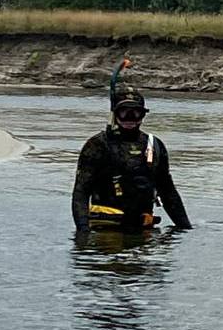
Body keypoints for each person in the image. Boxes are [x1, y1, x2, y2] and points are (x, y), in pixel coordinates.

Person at [71, 85, 192, 233]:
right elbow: (81, 193)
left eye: (136, 113)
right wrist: (83, 233)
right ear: (115, 114)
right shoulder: (97, 145)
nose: (130, 118)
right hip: (105, 233)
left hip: (143, 232)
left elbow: (168, 193)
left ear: (143, 115)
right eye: (124, 112)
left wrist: (185, 229)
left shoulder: (154, 146)